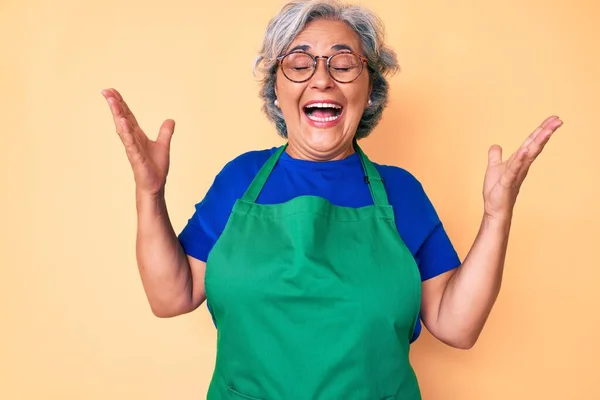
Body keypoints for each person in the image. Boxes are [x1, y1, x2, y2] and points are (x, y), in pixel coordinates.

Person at [101, 0, 563, 398]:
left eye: (343, 64)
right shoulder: (239, 179)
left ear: (369, 91)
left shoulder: (402, 192)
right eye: (300, 63)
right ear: (277, 91)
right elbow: (171, 295)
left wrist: (497, 215)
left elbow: (456, 325)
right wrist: (150, 191)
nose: (322, 79)